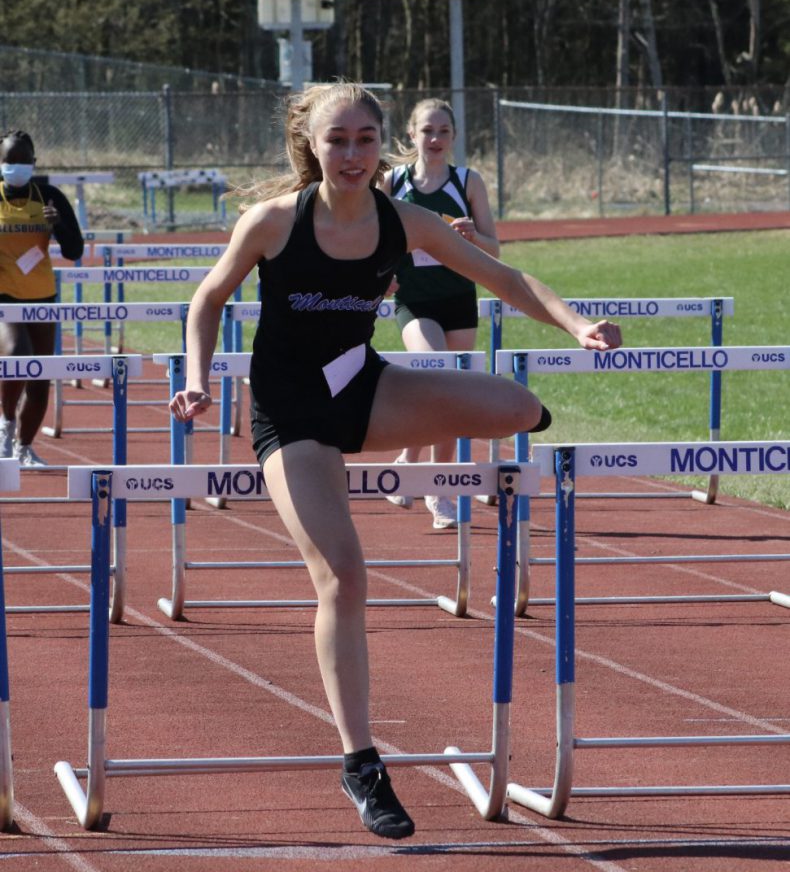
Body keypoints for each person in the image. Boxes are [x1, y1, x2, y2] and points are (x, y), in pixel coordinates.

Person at [169, 82, 621, 840]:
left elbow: (503, 279)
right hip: (293, 414)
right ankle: (362, 764)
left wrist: (578, 324)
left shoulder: (402, 221)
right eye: (337, 140)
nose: (351, 154)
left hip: (364, 391)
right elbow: (208, 299)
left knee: (515, 407)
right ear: (312, 146)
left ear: (387, 147)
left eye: (365, 140)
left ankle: (443, 459)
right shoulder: (275, 222)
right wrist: (194, 377)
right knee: (343, 575)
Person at [380, 98, 499, 527]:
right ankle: (439, 494)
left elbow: (494, 247)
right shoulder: (392, 181)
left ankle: (414, 466)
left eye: (443, 132)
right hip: (414, 300)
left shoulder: (468, 181)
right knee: (439, 375)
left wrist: (472, 236)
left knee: (448, 392)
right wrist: (380, 279)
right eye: (427, 131)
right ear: (412, 135)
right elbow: (372, 236)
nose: (434, 139)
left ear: (453, 137)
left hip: (458, 299)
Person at [0, 130, 84, 466]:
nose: (17, 166)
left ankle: (24, 447)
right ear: (0, 163)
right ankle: (5, 426)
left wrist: (58, 224)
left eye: (23, 160)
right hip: (3, 297)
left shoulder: (49, 196)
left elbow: (74, 249)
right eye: (10, 160)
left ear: (34, 163)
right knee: (19, 353)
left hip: (42, 296)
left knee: (39, 377)